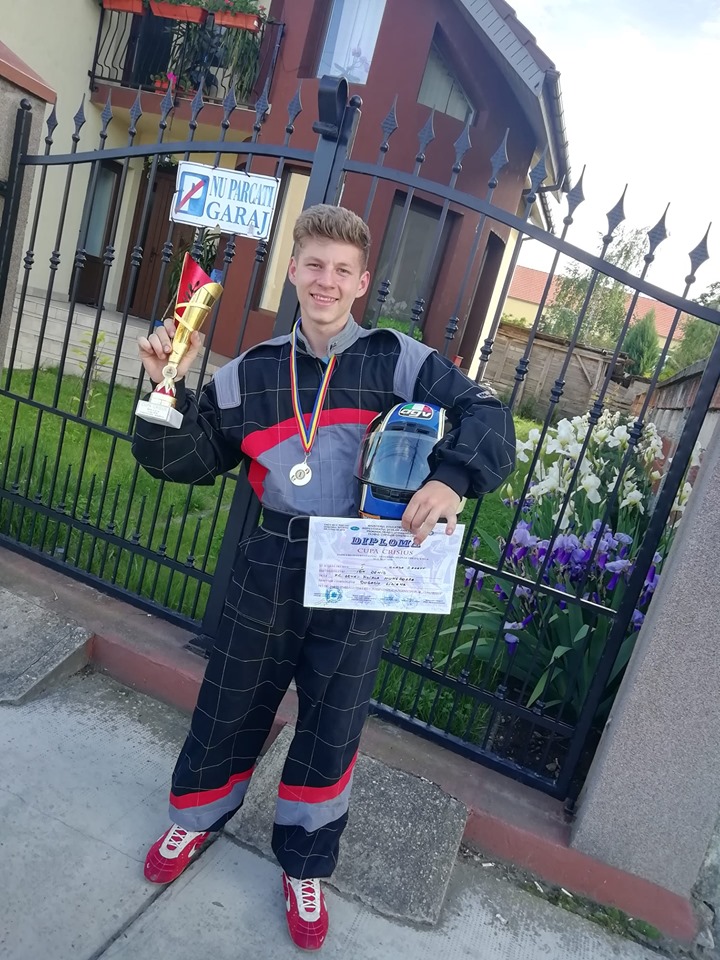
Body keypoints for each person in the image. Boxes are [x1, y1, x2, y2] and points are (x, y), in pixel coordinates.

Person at [132, 203, 516, 951]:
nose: (326, 281)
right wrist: (162, 387)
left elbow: (486, 411)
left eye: (342, 270)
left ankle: (305, 863)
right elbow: (185, 460)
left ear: (362, 282)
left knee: (332, 723)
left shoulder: (397, 359)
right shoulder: (251, 372)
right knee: (231, 699)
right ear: (293, 271)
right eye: (313, 265)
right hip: (271, 559)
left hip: (360, 565)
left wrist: (453, 478)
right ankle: (196, 819)